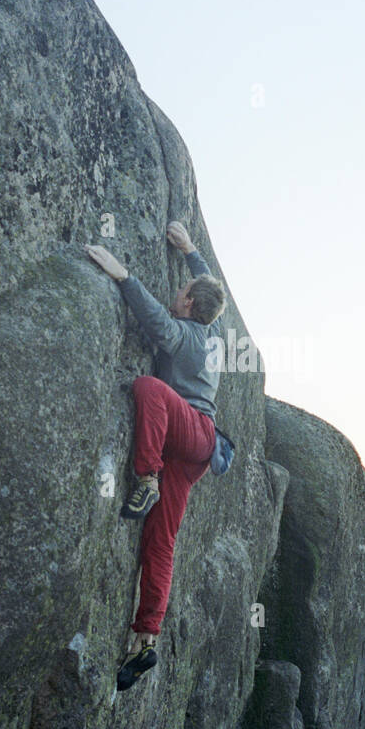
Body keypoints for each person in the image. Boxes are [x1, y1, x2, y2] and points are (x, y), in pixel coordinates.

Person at [84, 222, 228, 691]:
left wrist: (122, 275)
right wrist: (189, 250)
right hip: (195, 454)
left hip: (190, 435)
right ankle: (146, 638)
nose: (179, 291)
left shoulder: (184, 334)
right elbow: (209, 286)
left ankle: (145, 478)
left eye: (183, 290)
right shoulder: (215, 332)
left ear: (189, 305)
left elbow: (152, 317)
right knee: (159, 542)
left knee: (149, 388)